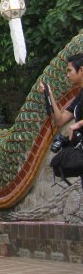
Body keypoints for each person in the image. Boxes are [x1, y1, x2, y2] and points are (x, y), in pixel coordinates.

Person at [43, 53, 83, 187]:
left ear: (81, 70)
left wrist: (78, 124)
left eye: (70, 70)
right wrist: (50, 95)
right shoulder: (80, 96)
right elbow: (60, 120)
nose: (68, 74)